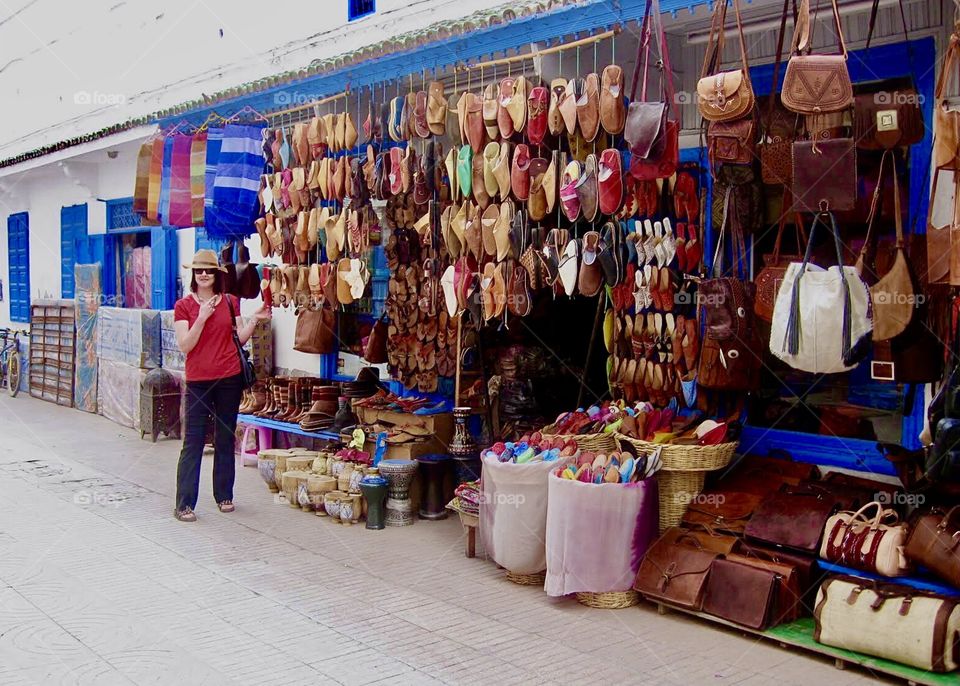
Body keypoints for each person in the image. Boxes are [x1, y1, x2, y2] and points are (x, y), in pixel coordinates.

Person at [173, 249, 271, 522]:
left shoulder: (230, 302)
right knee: (193, 441)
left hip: (229, 378)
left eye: (209, 270)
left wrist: (254, 319)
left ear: (217, 274)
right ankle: (184, 504)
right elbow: (185, 345)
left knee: (225, 438)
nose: (204, 274)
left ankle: (224, 495)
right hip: (198, 382)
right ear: (193, 274)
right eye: (199, 270)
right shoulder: (184, 306)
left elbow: (238, 339)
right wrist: (202, 317)